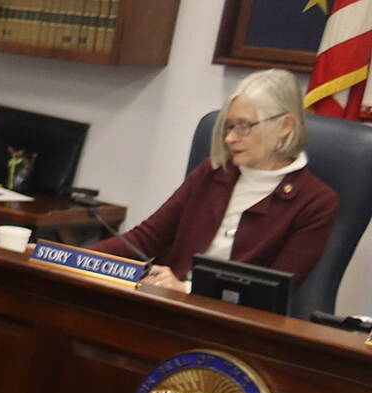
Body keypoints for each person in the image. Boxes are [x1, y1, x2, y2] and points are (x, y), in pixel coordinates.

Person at [109, 68, 337, 292]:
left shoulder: (315, 202)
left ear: (285, 126)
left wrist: (187, 289)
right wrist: (76, 258)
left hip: (233, 323)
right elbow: (144, 239)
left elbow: (270, 291)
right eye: (229, 126)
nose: (229, 138)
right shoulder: (213, 172)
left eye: (243, 126)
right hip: (167, 306)